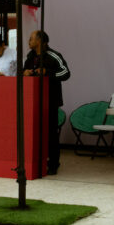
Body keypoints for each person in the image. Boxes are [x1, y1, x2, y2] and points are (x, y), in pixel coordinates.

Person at [23, 30, 71, 175]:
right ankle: (36, 161)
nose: (29, 41)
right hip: (32, 101)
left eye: (31, 39)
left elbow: (66, 73)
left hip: (50, 101)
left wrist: (47, 72)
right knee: (34, 132)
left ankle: (53, 164)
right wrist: (24, 72)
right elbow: (24, 70)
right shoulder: (30, 56)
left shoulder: (54, 56)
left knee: (51, 133)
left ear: (39, 41)